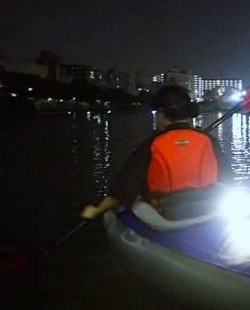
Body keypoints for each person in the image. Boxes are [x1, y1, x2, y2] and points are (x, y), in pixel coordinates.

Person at [81, 85, 232, 220]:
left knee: (137, 202)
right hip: (209, 209)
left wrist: (96, 210)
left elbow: (124, 187)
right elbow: (227, 178)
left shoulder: (151, 144)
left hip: (169, 213)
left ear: (161, 114)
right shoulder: (208, 140)